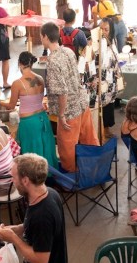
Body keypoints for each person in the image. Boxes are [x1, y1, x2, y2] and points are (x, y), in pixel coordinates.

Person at [41, 21, 96, 173]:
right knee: (89, 140)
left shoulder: (53, 61)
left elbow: (62, 92)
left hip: (69, 110)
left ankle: (71, 178)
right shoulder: (68, 51)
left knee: (67, 149)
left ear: (45, 37)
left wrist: (61, 115)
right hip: (81, 102)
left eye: (41, 36)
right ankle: (95, 169)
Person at [0, 51, 56, 168]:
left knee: (31, 153)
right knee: (44, 146)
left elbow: (11, 105)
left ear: (19, 63)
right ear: (31, 63)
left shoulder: (18, 83)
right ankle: (47, 172)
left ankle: (33, 175)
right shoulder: (40, 78)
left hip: (29, 122)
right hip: (42, 118)